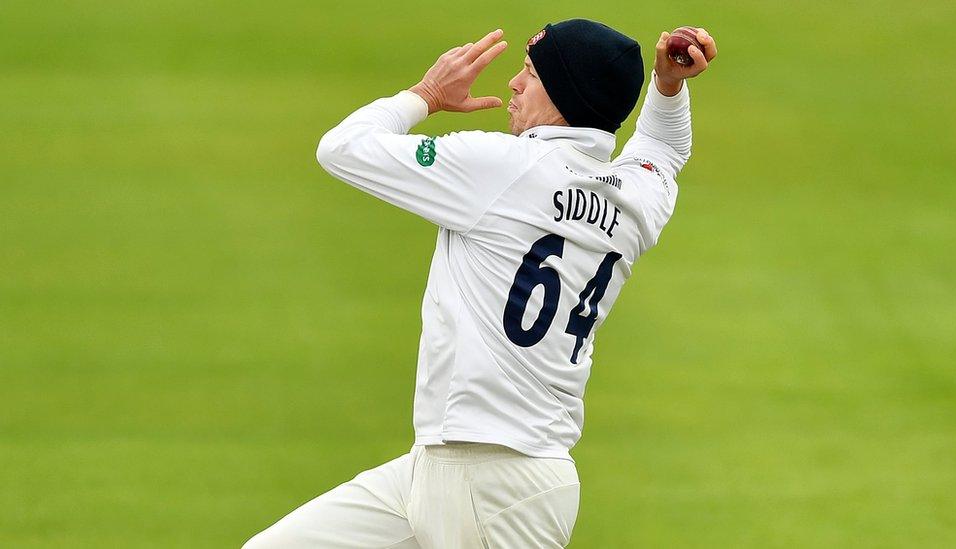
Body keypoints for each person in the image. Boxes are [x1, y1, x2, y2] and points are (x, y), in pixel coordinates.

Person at [244, 19, 717, 549]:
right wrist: (668, 86)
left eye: (532, 74)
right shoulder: (637, 196)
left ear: (565, 97)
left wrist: (424, 95)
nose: (515, 83)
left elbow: (343, 148)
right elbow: (662, 149)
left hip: (496, 484)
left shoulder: (501, 167)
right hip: (447, 470)